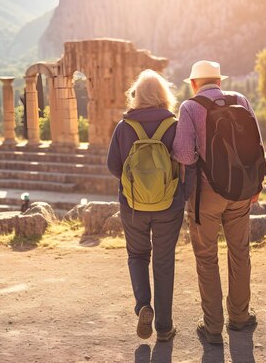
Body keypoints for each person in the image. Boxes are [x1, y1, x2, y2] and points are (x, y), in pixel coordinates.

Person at [172, 60, 263, 344]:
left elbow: (185, 155)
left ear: (194, 83)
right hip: (241, 190)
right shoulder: (241, 100)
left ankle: (212, 327)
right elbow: (257, 144)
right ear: (219, 81)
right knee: (240, 253)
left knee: (207, 258)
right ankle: (239, 317)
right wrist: (255, 186)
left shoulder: (189, 107)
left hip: (205, 196)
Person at [107, 69, 193, 342]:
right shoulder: (175, 125)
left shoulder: (124, 127)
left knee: (137, 255)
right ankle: (165, 327)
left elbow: (112, 165)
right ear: (163, 94)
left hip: (133, 206)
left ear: (137, 95)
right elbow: (187, 163)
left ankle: (144, 305)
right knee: (164, 262)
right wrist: (183, 194)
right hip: (169, 204)